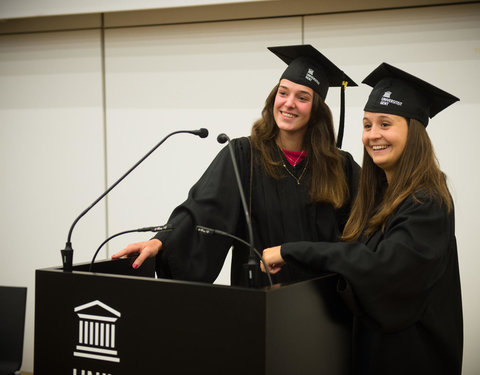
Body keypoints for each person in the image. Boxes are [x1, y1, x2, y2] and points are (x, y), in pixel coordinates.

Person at [261, 63, 463, 374]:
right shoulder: (384, 196)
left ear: (415, 132)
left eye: (385, 124)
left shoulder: (427, 202)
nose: (373, 135)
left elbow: (380, 267)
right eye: (367, 125)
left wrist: (291, 250)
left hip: (413, 358)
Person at [112, 45, 360, 287]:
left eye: (302, 97)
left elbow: (363, 231)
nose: (289, 103)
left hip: (324, 306)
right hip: (261, 303)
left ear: (316, 110)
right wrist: (162, 240)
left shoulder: (340, 166)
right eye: (283, 93)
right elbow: (204, 209)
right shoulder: (245, 155)